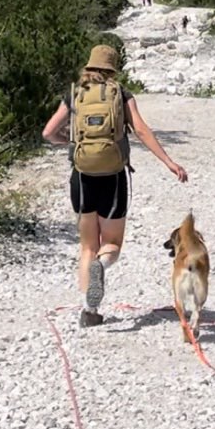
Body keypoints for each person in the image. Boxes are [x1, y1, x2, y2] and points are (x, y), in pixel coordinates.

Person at [42, 44, 188, 327]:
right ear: (112, 68)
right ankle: (103, 265)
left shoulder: (74, 94)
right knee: (111, 243)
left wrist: (71, 144)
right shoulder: (120, 94)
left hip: (82, 177)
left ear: (89, 66)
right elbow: (142, 130)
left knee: (87, 246)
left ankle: (90, 310)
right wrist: (169, 162)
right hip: (113, 176)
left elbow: (48, 132)